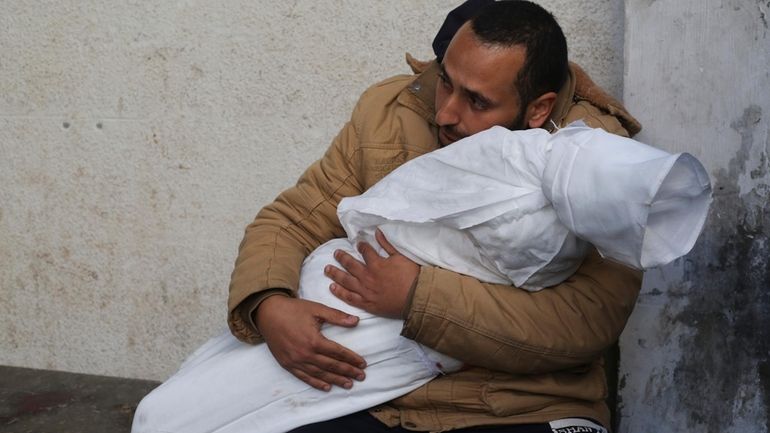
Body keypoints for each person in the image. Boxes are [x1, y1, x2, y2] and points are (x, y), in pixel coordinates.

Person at [137, 1, 646, 432]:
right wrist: (269, 305)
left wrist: (415, 296)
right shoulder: (394, 108)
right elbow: (292, 219)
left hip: (514, 404)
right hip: (370, 395)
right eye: (446, 81)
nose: (446, 113)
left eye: (476, 101)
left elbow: (584, 322)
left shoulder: (600, 163)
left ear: (538, 110)